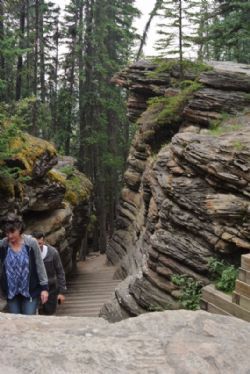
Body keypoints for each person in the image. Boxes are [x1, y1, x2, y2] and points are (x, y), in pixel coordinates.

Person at [0, 214, 49, 315]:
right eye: (6, 233)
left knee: (28, 319)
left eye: (12, 232)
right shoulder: (3, 245)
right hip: (11, 293)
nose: (9, 236)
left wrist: (44, 289)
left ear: (19, 228)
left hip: (30, 291)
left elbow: (40, 265)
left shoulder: (31, 243)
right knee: (16, 322)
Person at [32, 231, 66, 315]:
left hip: (51, 288)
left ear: (43, 241)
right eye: (35, 244)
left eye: (39, 243)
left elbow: (60, 272)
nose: (37, 246)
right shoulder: (28, 253)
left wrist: (61, 292)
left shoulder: (53, 253)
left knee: (50, 312)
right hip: (34, 288)